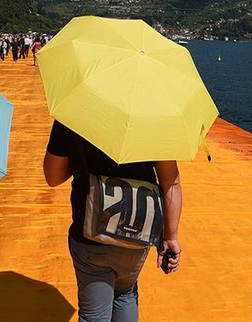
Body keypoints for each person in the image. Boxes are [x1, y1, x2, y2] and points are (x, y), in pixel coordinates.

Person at [43, 121, 182, 322]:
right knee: (125, 294)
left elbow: (53, 177)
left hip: (91, 232)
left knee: (94, 316)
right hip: (136, 232)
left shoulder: (73, 114)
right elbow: (171, 183)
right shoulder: (155, 117)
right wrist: (170, 237)